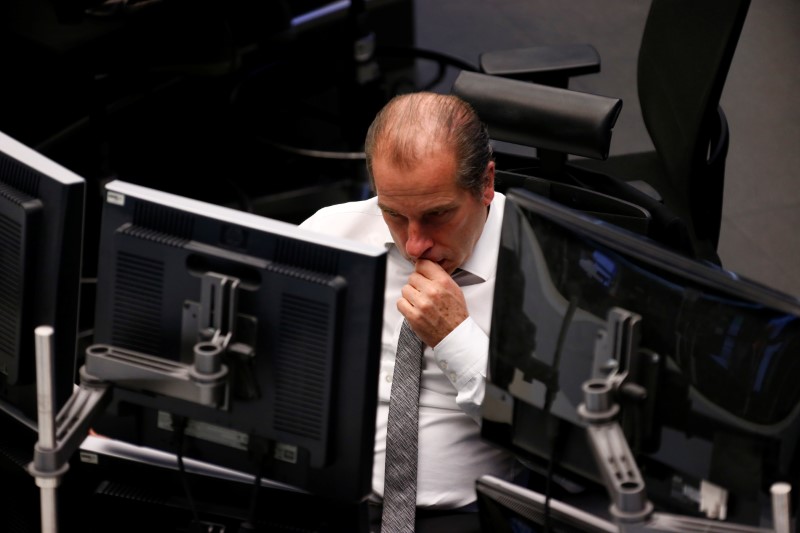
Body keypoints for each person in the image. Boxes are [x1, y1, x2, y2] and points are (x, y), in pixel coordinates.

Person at [299, 92, 520, 532]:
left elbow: (552, 438)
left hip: (458, 518)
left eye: (437, 214)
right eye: (394, 215)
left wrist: (457, 337)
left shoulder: (539, 265)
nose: (414, 243)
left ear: (486, 184)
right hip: (319, 498)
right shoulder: (329, 235)